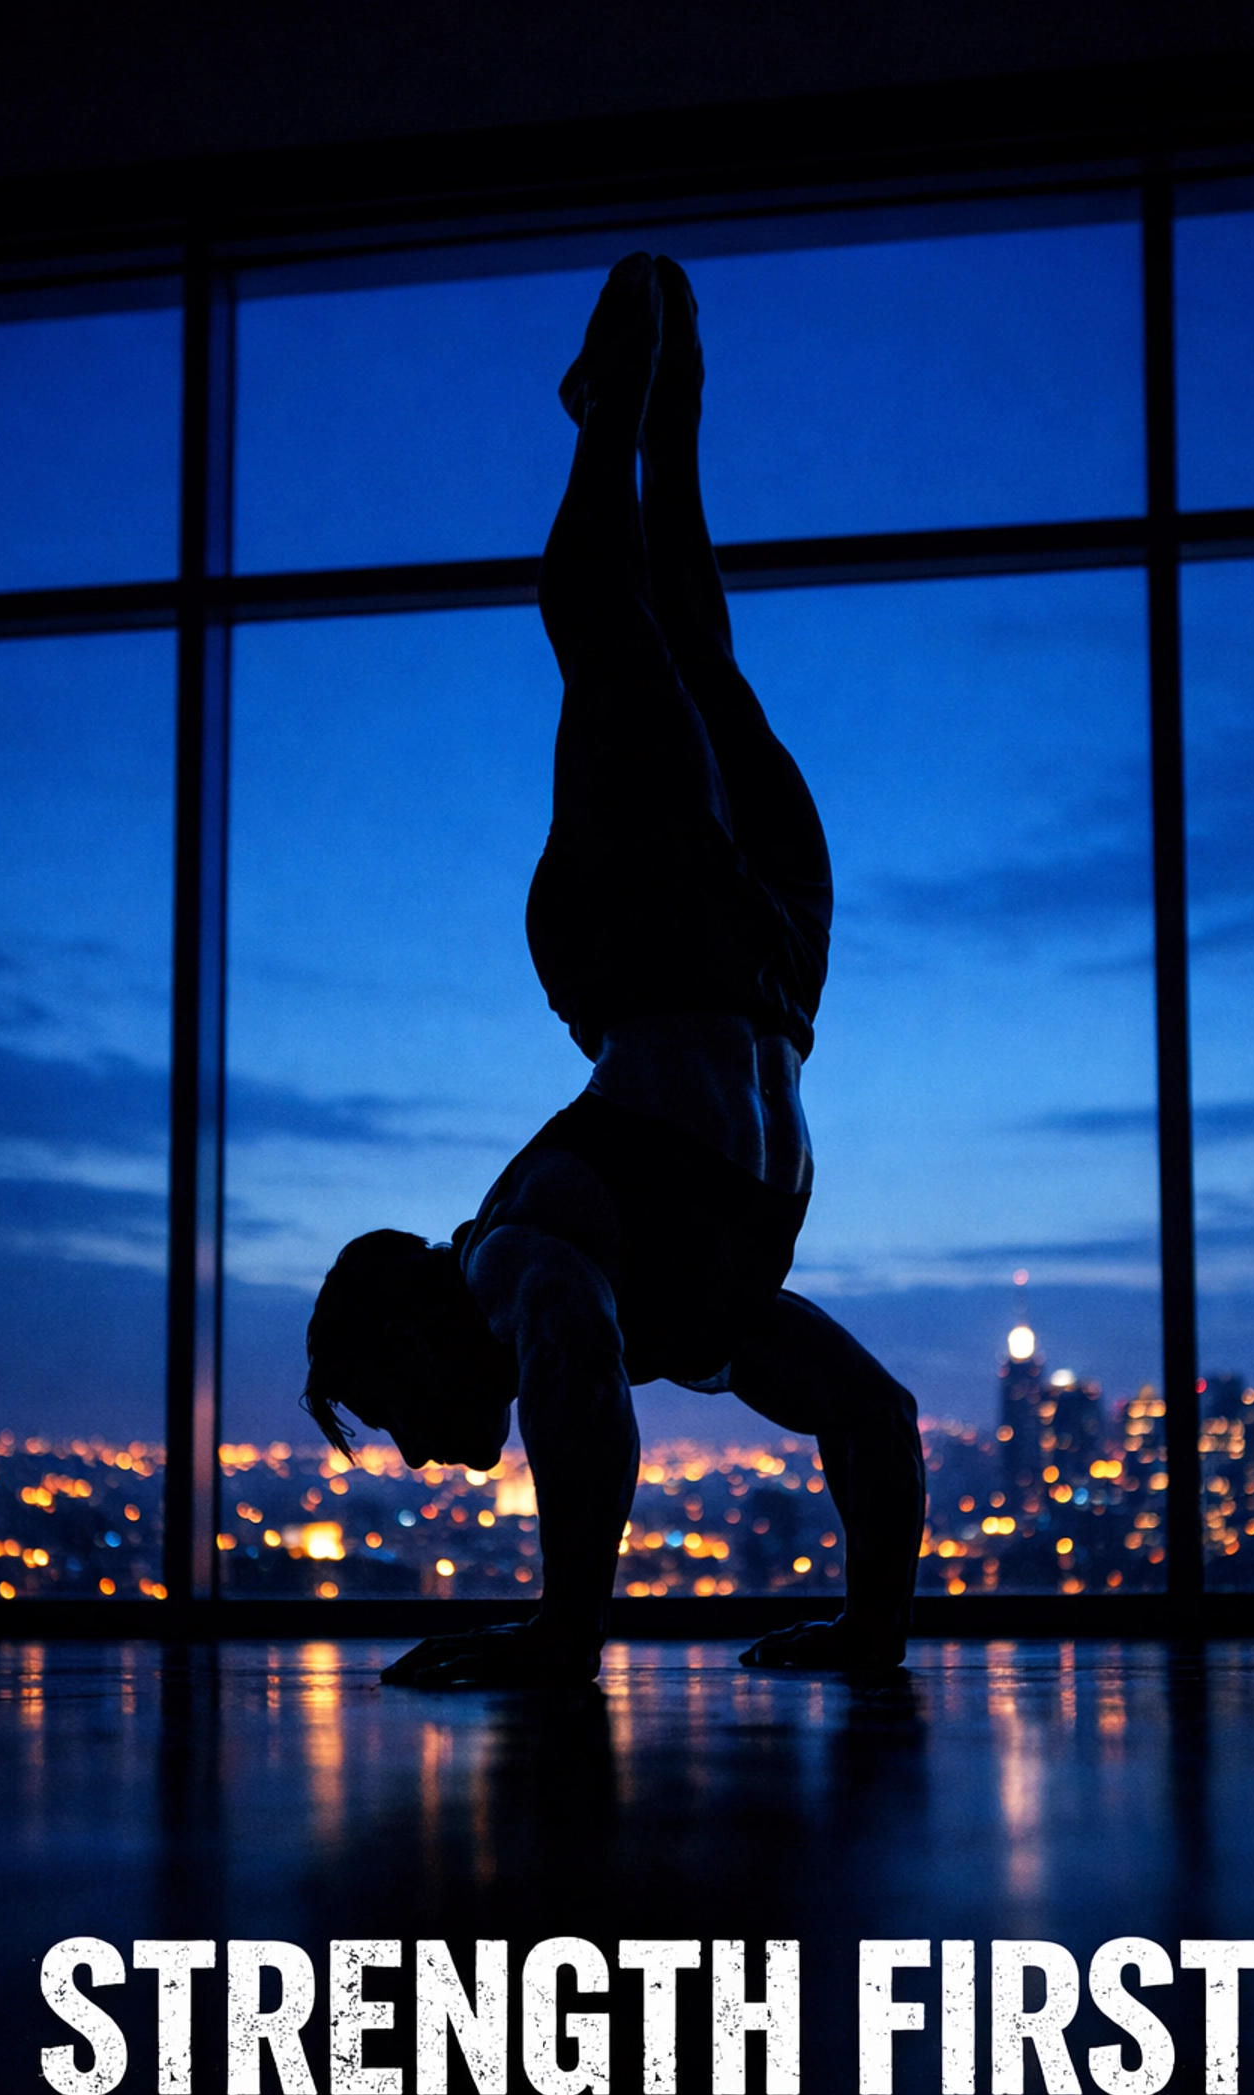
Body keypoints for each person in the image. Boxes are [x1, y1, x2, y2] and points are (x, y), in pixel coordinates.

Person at [303, 253, 925, 1687]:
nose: (424, 1455)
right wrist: (872, 1637)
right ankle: (664, 422)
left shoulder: (516, 1259)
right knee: (681, 643)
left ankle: (615, 406)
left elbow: (577, 1373)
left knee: (604, 616)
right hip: (759, 964)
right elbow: (875, 1421)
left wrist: (563, 1637)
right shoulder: (684, 1313)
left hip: (685, 951)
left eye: (390, 1405)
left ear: (413, 1319)